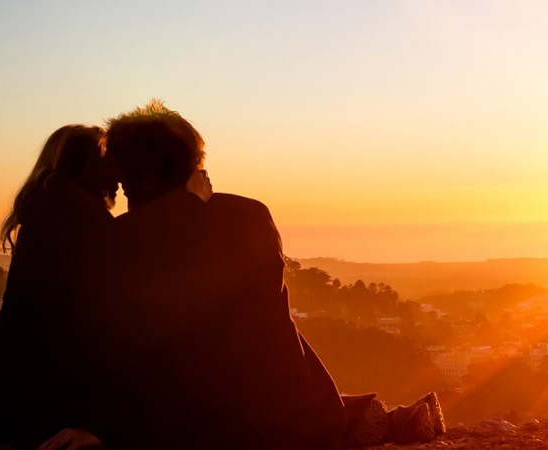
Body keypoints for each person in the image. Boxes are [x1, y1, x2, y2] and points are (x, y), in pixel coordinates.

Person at [72, 100, 443, 450]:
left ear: (148, 181)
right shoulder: (249, 215)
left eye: (124, 184)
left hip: (205, 429)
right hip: (292, 416)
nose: (119, 195)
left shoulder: (129, 240)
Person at [0, 125, 118, 450]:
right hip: (36, 395)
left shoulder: (49, 208)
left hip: (3, 383)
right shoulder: (76, 218)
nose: (115, 169)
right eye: (105, 156)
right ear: (79, 164)